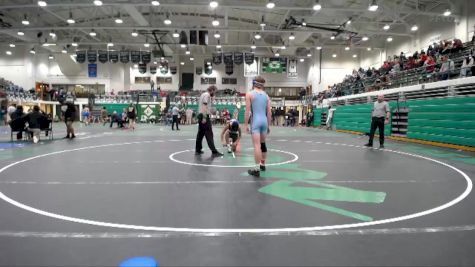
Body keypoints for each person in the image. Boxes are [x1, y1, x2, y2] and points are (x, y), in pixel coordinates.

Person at [244, 76, 271, 177]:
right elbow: (269, 112)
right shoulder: (266, 96)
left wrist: (246, 124)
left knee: (257, 146)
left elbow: (247, 111)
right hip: (264, 121)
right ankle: (263, 164)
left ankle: (256, 169)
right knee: (262, 144)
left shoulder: (250, 94)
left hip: (255, 122)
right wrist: (268, 125)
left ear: (254, 83)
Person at [195, 86, 223, 157]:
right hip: (203, 116)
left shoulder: (203, 95)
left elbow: (204, 106)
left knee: (200, 133)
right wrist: (204, 117)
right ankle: (214, 151)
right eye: (215, 92)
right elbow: (204, 106)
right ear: (212, 90)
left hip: (201, 115)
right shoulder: (207, 95)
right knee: (209, 134)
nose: (215, 93)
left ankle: (198, 149)